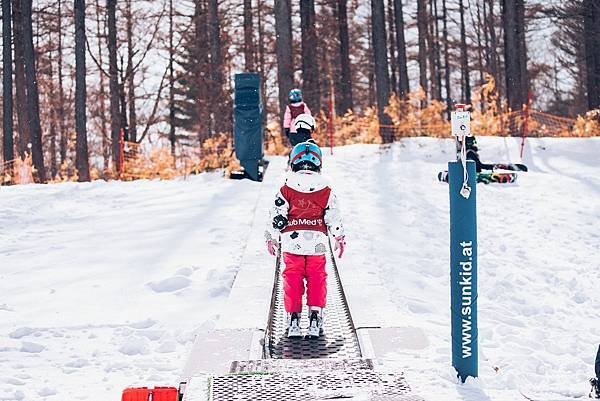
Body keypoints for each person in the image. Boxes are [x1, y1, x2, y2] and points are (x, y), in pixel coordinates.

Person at [264, 141, 345, 339]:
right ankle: (315, 315)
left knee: (292, 277)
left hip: (292, 243)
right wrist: (338, 236)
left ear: (293, 162)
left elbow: (277, 216)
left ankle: (293, 317)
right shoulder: (325, 190)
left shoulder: (286, 188)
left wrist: (271, 237)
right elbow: (333, 216)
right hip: (317, 242)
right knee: (317, 278)